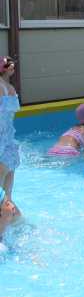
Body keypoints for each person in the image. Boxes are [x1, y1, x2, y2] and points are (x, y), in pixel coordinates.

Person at [0, 56, 21, 237]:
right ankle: (18, 225)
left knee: (3, 195)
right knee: (6, 194)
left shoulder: (7, 87)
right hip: (7, 142)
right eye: (10, 65)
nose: (13, 67)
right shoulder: (8, 88)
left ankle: (5, 233)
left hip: (4, 142)